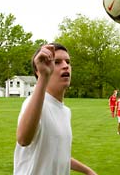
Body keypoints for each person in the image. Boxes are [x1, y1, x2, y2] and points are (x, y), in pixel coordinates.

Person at [13, 43, 97, 175]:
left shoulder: (65, 111)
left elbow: (58, 156)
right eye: (57, 62)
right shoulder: (34, 103)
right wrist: (44, 77)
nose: (65, 66)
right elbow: (23, 139)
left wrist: (87, 171)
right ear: (38, 70)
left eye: (68, 62)